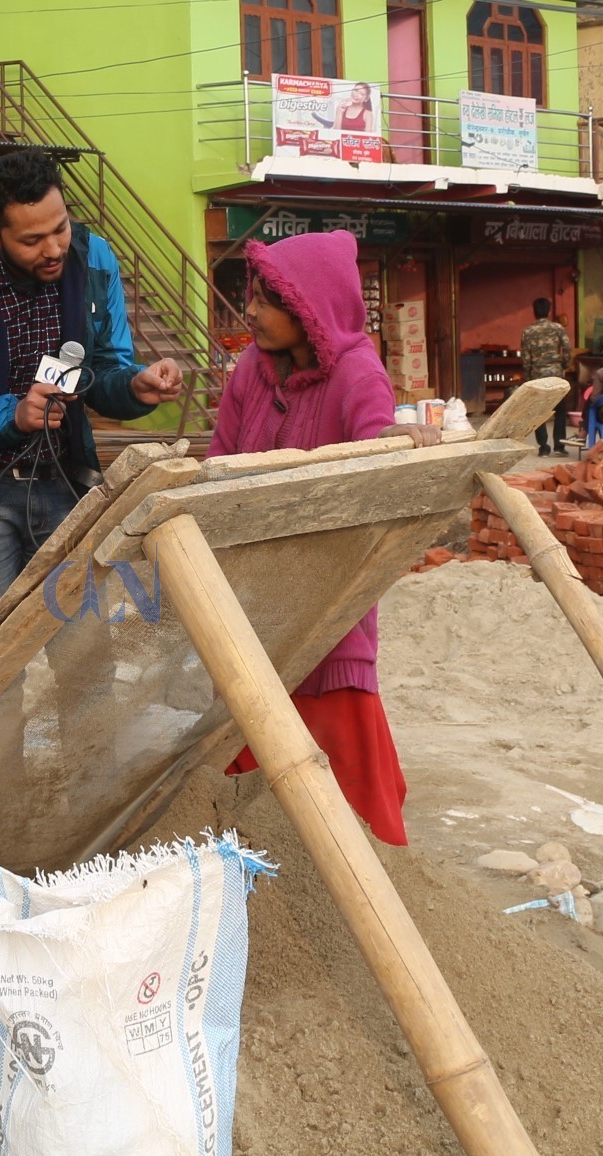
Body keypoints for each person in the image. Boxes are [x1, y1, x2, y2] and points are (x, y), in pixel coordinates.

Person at [0, 148, 184, 800]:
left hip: (63, 485)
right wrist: (12, 413)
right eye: (34, 239)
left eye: (61, 227)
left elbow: (105, 370)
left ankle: (89, 815)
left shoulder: (94, 260)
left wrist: (135, 385)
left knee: (87, 663)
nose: (55, 247)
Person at [208, 230, 439, 845]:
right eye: (252, 296)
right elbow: (217, 466)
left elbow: (377, 456)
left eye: (268, 301)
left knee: (346, 783)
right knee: (242, 772)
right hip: (249, 605)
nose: (250, 312)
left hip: (330, 613)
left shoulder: (359, 377)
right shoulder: (250, 373)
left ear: (312, 310)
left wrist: (397, 441)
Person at [520, 298, 572, 457]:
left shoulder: (528, 332)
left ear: (534, 311)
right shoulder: (557, 328)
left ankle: (543, 447)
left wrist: (528, 376)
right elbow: (567, 348)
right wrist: (564, 364)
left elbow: (525, 358)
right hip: (556, 374)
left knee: (538, 412)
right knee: (560, 411)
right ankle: (559, 446)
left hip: (537, 375)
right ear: (549, 311)